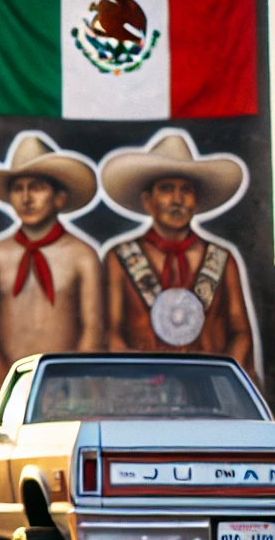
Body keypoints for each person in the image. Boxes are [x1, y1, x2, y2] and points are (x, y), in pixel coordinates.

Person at [101, 131, 255, 373]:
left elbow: (241, 333)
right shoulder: (120, 257)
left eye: (186, 190)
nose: (177, 199)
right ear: (147, 200)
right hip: (141, 390)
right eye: (166, 189)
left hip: (208, 389)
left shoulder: (222, 258)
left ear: (197, 200)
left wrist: (225, 378)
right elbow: (111, 333)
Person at [0, 133, 104, 397]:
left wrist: (71, 385)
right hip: (8, 384)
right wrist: (0, 384)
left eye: (37, 187)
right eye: (18, 189)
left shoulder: (82, 255)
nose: (27, 198)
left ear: (60, 198)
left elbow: (93, 329)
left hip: (66, 387)